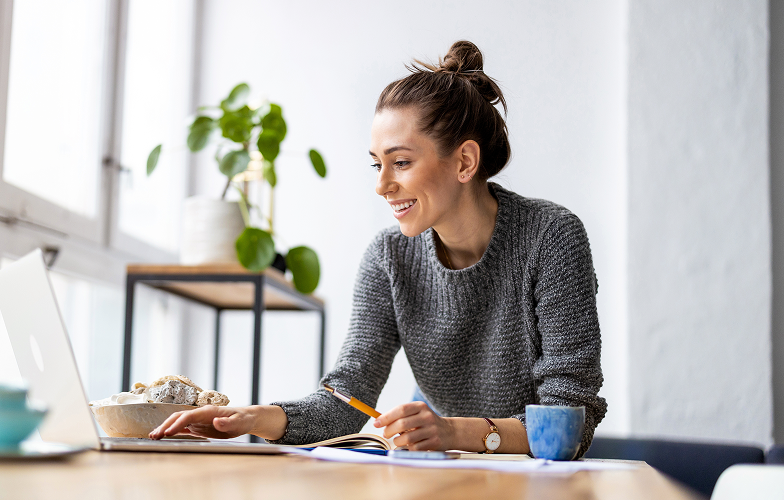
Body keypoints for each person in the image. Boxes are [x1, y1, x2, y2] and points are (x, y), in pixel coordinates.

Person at [150, 40, 607, 457]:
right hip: (443, 472)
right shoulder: (389, 257)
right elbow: (347, 398)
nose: (382, 185)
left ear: (465, 161)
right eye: (377, 165)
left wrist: (451, 432)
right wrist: (254, 419)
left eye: (401, 163)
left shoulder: (551, 238)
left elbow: (570, 423)